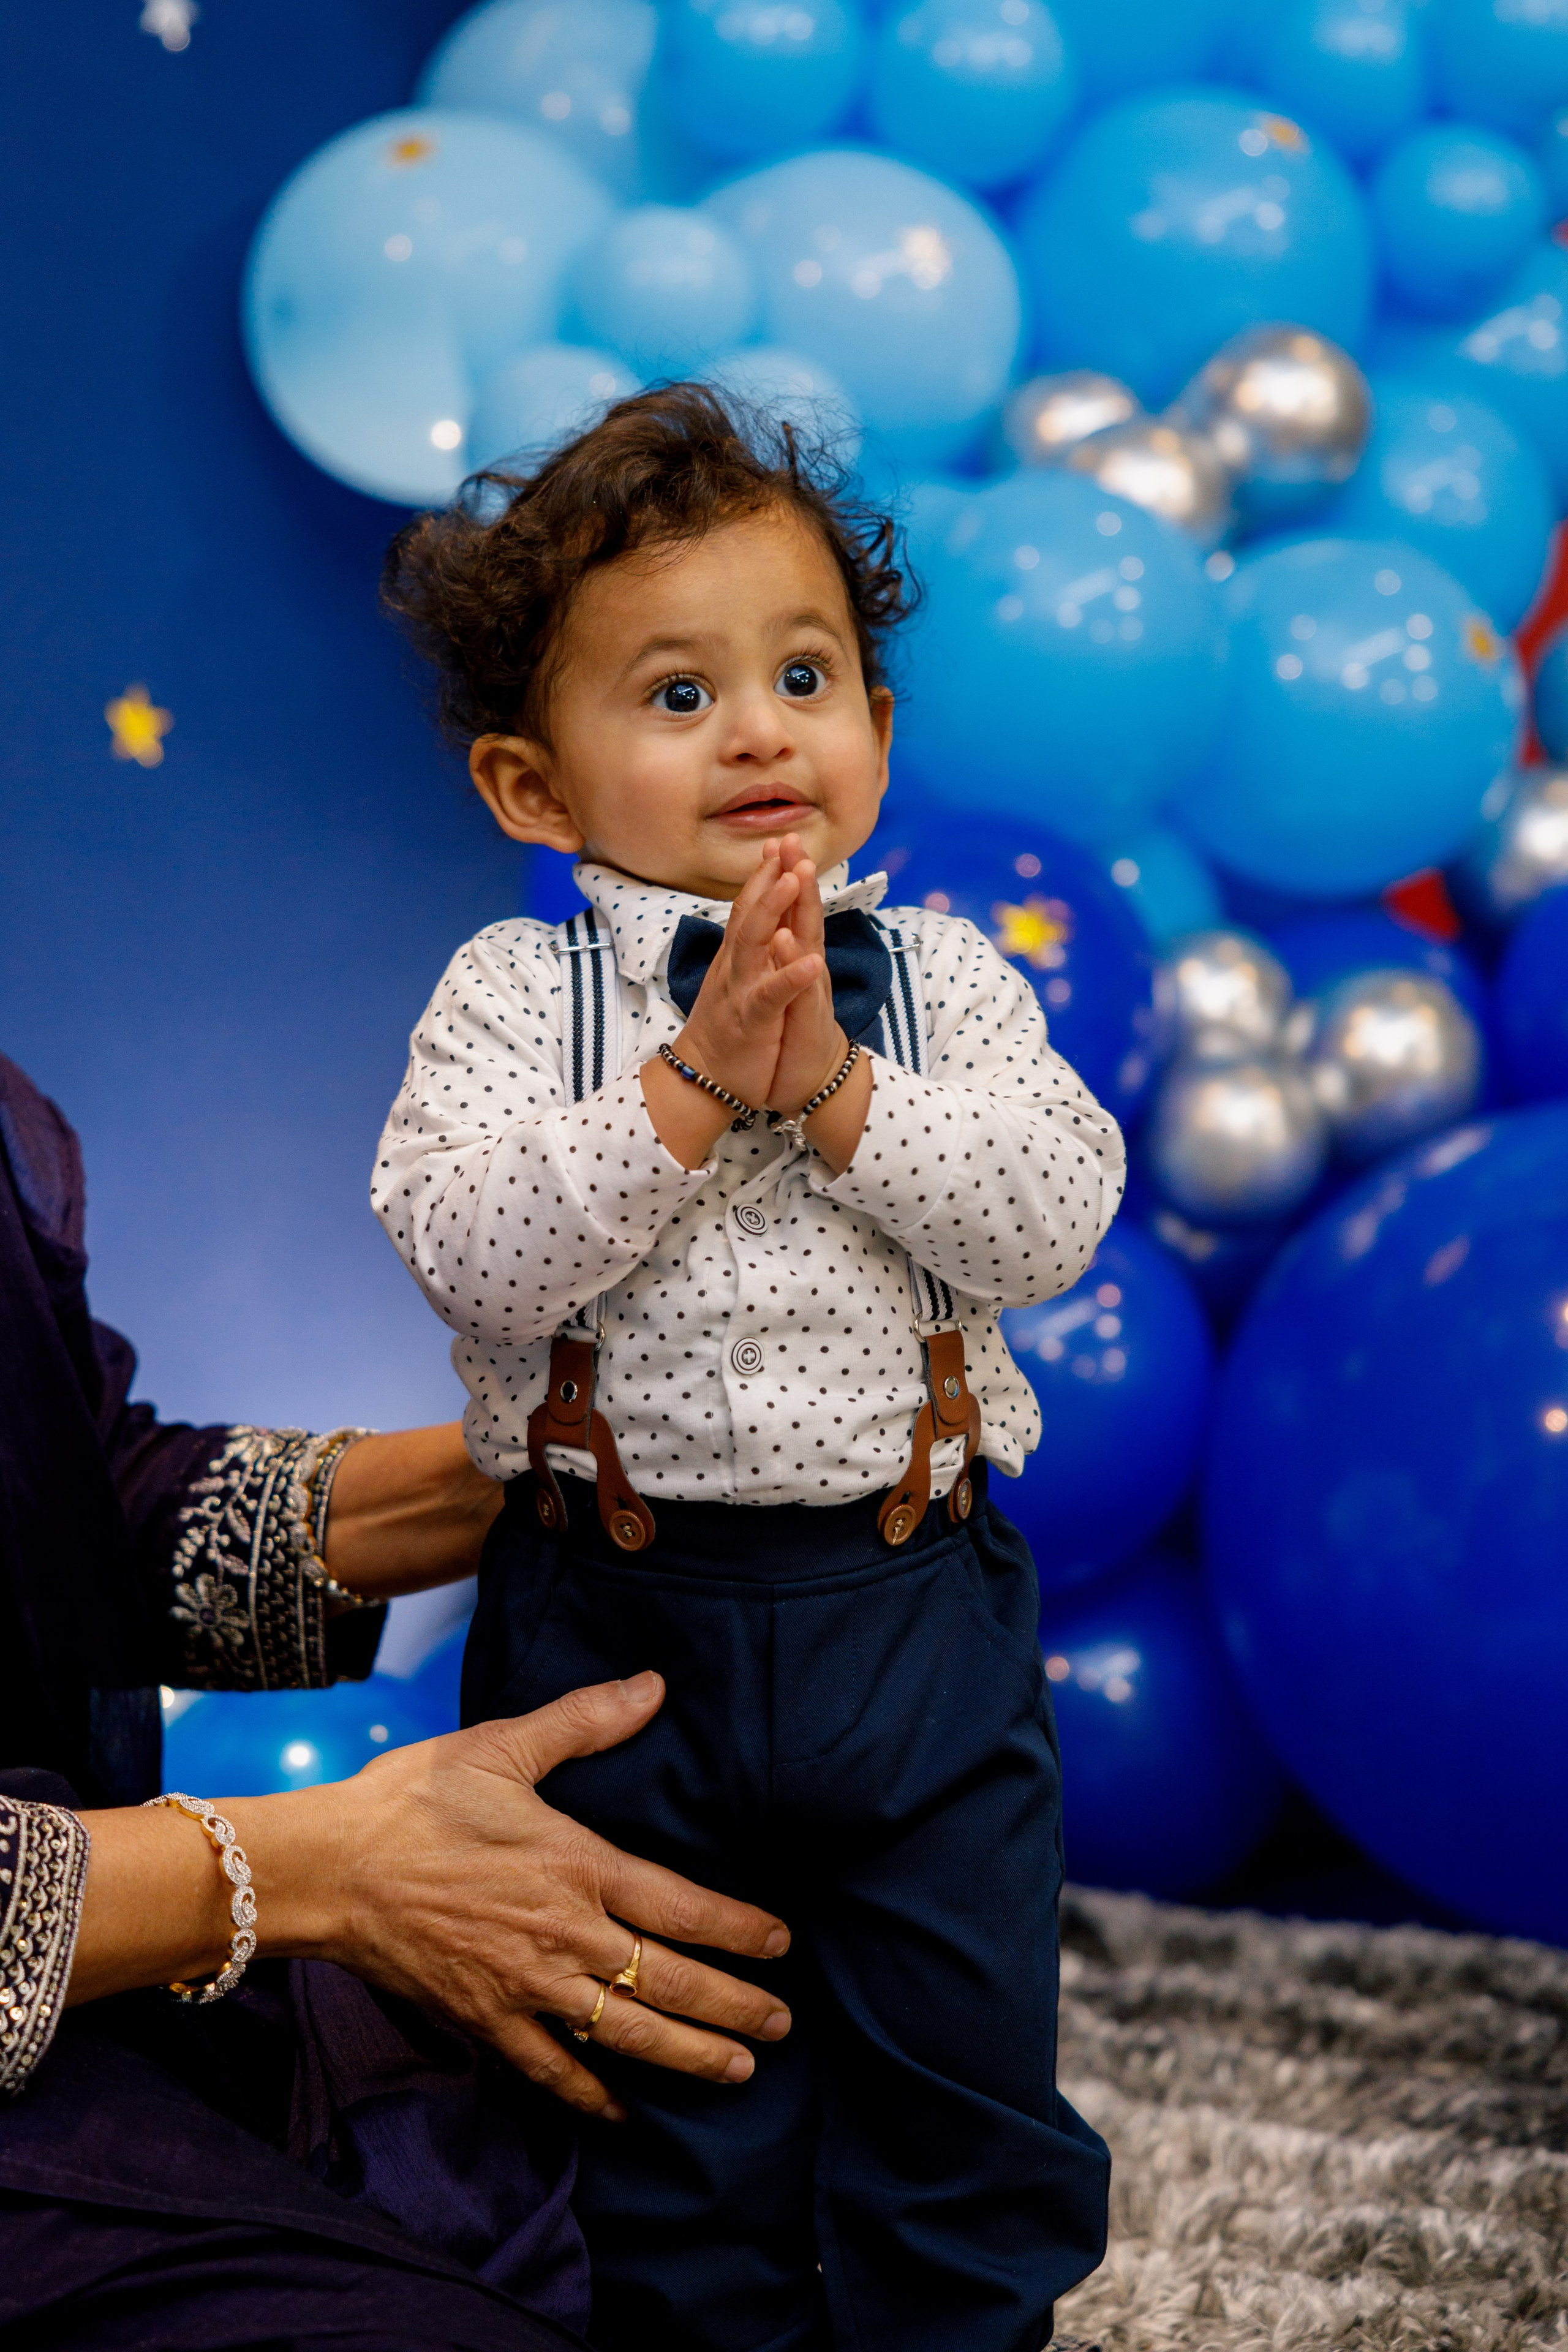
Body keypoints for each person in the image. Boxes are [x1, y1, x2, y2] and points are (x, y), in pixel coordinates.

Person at [374, 385, 1123, 2352]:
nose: (765, 727)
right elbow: (468, 1245)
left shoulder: (949, 982)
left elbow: (1051, 1220)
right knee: (656, 2100)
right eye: (680, 693)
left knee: (965, 2067)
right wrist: (698, 1089)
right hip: (622, 1630)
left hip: (916, 1612)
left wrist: (847, 1097)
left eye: (806, 672)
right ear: (537, 791)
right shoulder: (515, 998)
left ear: (877, 722)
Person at [0, 1046, 795, 2350]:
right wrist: (316, 1872)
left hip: (91, 1953)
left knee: (612, 2173)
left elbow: (74, 1507)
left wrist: (536, 1460)